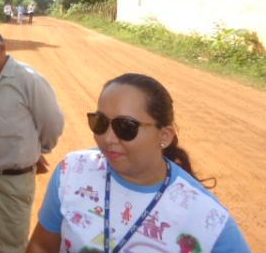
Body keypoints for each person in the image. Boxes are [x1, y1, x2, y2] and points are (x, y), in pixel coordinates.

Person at [27, 73, 251, 253]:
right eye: (100, 122)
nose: (108, 138)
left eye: (126, 127)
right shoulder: (71, 173)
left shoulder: (207, 219)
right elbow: (41, 246)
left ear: (164, 136)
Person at [0, 27, 64, 253]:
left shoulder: (28, 80)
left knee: (11, 248)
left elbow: (53, 123)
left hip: (11, 183)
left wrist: (37, 150)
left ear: (2, 48)